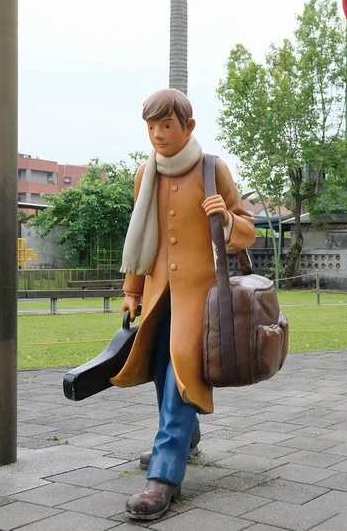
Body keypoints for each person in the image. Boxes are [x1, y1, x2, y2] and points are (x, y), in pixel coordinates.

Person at [111, 88, 256, 520]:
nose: (157, 134)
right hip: (159, 296)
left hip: (200, 297)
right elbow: (140, 235)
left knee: (180, 376)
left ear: (188, 127)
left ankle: (163, 476)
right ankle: (185, 434)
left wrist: (226, 218)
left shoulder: (212, 169)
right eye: (151, 126)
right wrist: (133, 291)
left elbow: (248, 230)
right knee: (161, 370)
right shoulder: (145, 173)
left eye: (167, 125)